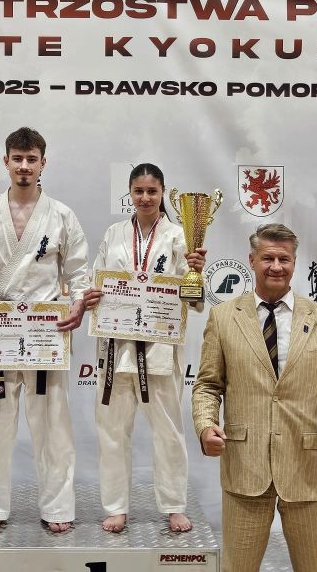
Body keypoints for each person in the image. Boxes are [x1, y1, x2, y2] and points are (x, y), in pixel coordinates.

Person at [191, 222, 317, 572]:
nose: (276, 266)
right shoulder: (222, 317)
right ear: (252, 261)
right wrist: (206, 426)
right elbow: (207, 385)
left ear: (295, 262)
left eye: (284, 259)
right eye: (268, 258)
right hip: (244, 468)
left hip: (307, 467)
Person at [0, 126, 89, 534]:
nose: (24, 166)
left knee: (53, 426)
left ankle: (58, 506)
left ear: (43, 163)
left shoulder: (61, 215)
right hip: (0, 327)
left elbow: (78, 272)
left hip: (46, 329)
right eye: (17, 158)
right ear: (5, 161)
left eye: (31, 159)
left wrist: (79, 304)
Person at [80, 162, 204, 533]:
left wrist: (196, 274)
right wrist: (92, 296)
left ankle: (174, 505)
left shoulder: (180, 236)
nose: (145, 198)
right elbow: (97, 281)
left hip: (159, 348)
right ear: (130, 194)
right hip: (116, 346)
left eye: (152, 191)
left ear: (163, 192)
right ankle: (116, 506)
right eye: (139, 191)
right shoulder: (114, 233)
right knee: (112, 431)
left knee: (168, 431)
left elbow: (194, 299)